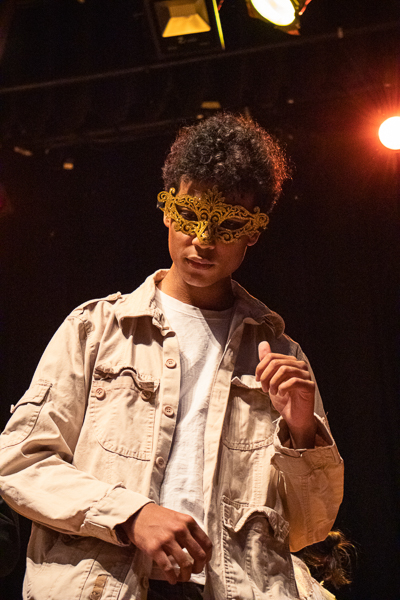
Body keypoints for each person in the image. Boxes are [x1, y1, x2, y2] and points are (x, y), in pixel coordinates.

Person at [0, 113, 344, 600]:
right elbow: (20, 461)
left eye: (228, 224)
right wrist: (130, 515)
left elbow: (309, 528)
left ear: (254, 232)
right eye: (188, 215)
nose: (203, 239)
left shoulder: (281, 355)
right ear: (166, 210)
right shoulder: (96, 329)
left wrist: (303, 433)